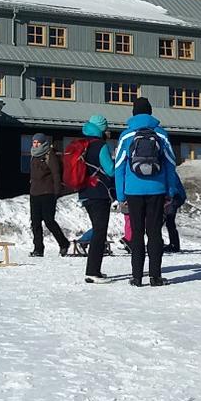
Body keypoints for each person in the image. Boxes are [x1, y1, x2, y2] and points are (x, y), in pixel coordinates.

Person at [113, 97, 185, 287]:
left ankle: (137, 277)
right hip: (157, 190)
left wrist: (121, 196)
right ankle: (155, 276)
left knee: (137, 233)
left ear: (134, 113)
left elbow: (118, 167)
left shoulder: (127, 136)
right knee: (154, 233)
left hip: (133, 191)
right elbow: (170, 164)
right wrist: (170, 191)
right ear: (150, 112)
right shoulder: (161, 134)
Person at [69, 115, 119, 281]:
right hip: (99, 193)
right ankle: (92, 271)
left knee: (97, 229)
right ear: (102, 129)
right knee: (100, 232)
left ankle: (94, 270)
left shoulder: (83, 144)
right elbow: (111, 170)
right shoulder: (100, 146)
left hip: (85, 192)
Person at [27, 133, 69, 257]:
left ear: (43, 143)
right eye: (34, 142)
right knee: (35, 222)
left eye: (37, 142)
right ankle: (38, 249)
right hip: (34, 192)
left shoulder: (49, 155)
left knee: (49, 221)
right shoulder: (33, 155)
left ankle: (63, 243)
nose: (35, 144)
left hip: (48, 193)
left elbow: (56, 174)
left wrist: (57, 192)